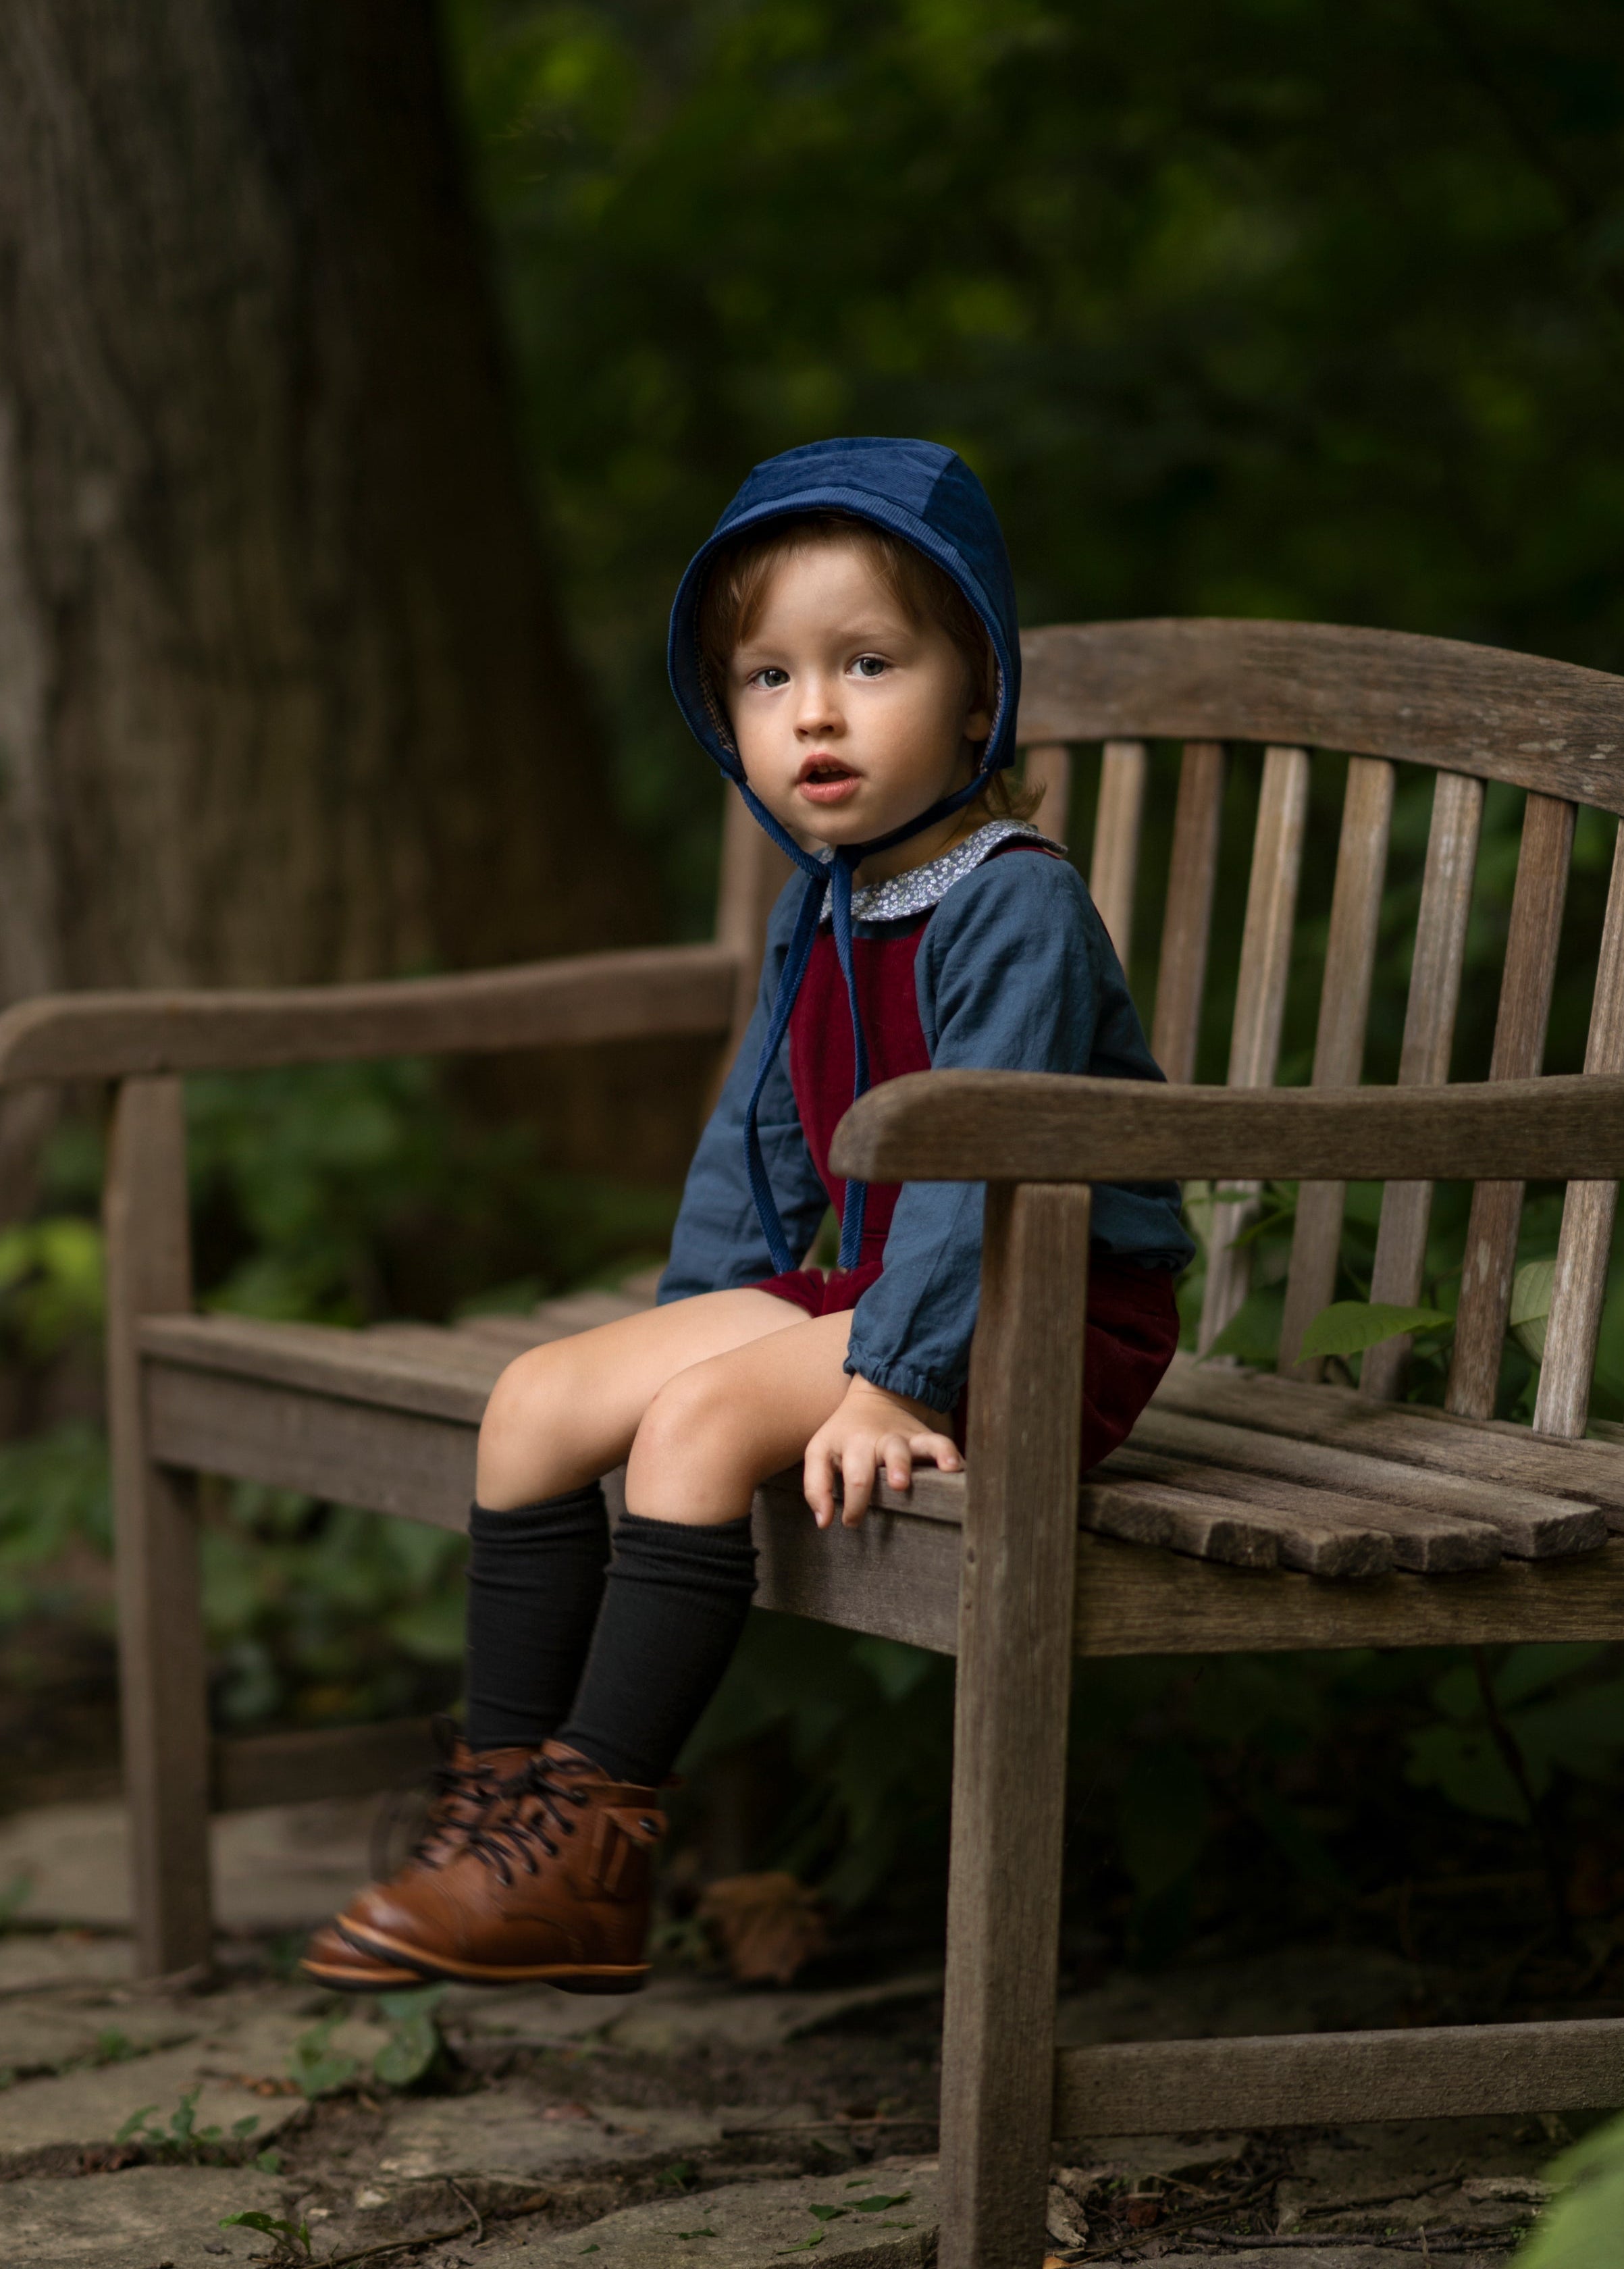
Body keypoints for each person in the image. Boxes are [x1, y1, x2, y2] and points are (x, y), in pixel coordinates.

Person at [301, 437, 1194, 1996]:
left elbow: (982, 1161)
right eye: (769, 680)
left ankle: (589, 1856)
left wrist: (897, 1376)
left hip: (1042, 1305)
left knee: (700, 1432)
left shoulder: (1016, 898)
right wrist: (687, 1315)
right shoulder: (823, 901)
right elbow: (758, 1137)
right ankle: (503, 1830)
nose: (818, 714)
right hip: (879, 1280)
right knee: (536, 1403)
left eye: (866, 663)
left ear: (978, 693)